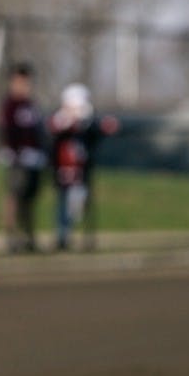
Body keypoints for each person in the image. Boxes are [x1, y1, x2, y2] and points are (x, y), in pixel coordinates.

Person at [47, 83, 119, 251]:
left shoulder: (87, 124)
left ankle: (87, 238)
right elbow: (55, 130)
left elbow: (97, 131)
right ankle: (62, 238)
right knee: (63, 205)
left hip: (82, 172)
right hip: (63, 171)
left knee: (83, 205)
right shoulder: (60, 121)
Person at [0, 62, 46, 253]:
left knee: (29, 200)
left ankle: (29, 238)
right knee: (14, 198)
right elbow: (7, 131)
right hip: (17, 160)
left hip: (33, 159)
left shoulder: (31, 105)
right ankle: (12, 238)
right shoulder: (10, 105)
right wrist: (14, 152)